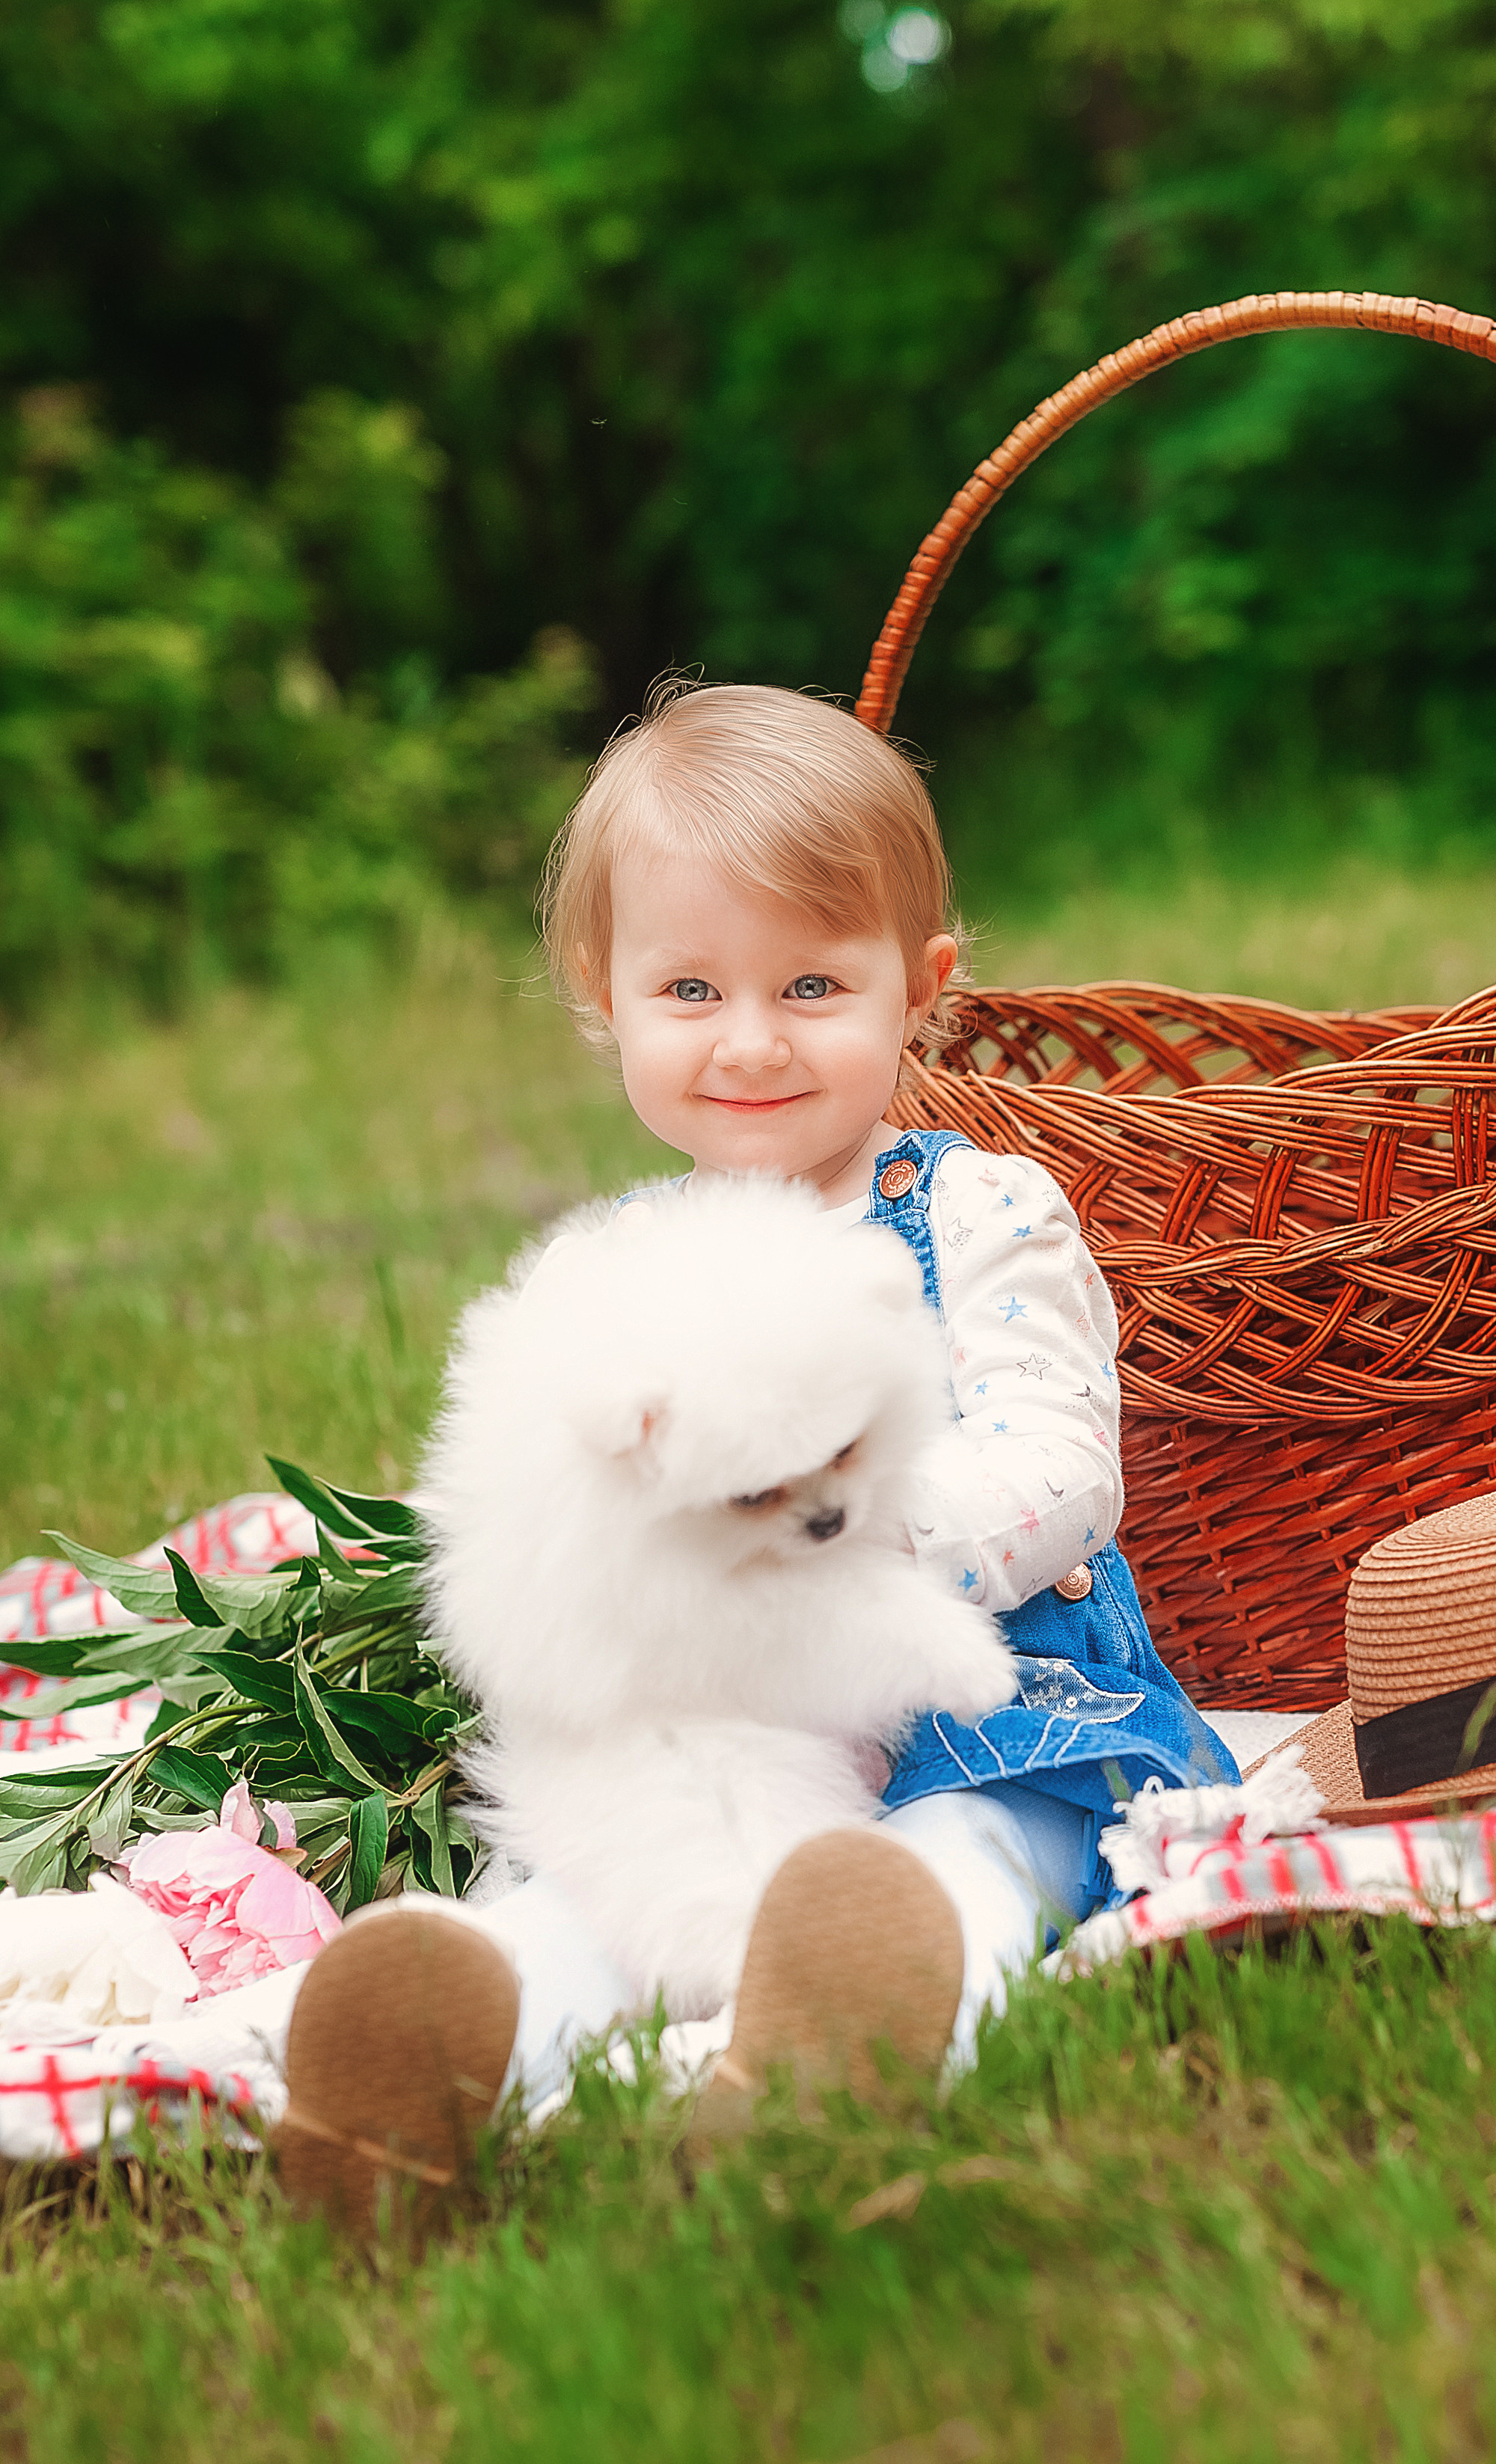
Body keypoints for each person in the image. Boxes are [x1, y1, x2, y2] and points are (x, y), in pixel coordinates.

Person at [275, 682, 1237, 2233]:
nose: (748, 1044)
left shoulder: (980, 1215)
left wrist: (823, 1557)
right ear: (604, 993)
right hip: (722, 1736)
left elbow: (1060, 1469)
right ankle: (448, 2057)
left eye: (808, 985)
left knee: (961, 1859)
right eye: (689, 992)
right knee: (600, 1893)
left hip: (985, 1698)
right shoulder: (625, 1265)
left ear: (918, 988)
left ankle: (838, 2049)